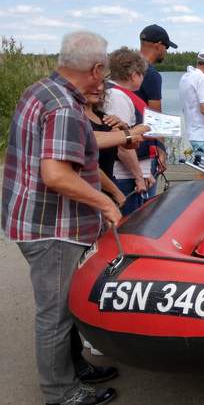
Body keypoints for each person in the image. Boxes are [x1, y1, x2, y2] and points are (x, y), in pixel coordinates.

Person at [2, 31, 121, 405]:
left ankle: (75, 368)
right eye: (104, 72)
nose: (103, 80)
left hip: (30, 219)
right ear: (96, 69)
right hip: (53, 229)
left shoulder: (42, 90)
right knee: (55, 315)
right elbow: (55, 174)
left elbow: (73, 147)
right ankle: (61, 392)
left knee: (66, 304)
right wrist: (105, 204)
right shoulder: (65, 107)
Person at [103, 47, 158, 216]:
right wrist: (139, 176)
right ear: (134, 75)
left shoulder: (119, 94)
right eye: (142, 74)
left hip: (131, 174)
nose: (142, 78)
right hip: (124, 178)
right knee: (131, 222)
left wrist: (144, 172)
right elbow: (122, 144)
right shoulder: (118, 97)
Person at [135, 24, 176, 189]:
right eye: (166, 47)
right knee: (146, 202)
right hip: (143, 152)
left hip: (122, 148)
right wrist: (161, 150)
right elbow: (155, 117)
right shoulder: (151, 74)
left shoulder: (125, 69)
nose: (165, 51)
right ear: (158, 45)